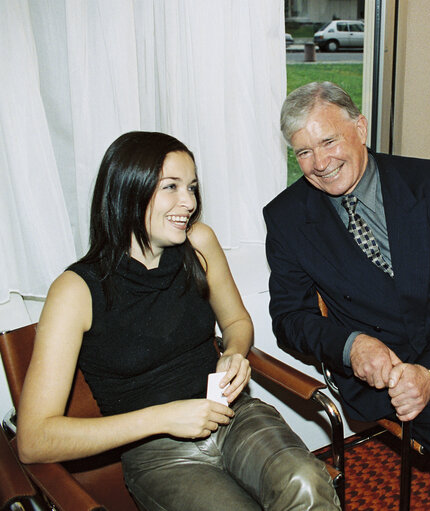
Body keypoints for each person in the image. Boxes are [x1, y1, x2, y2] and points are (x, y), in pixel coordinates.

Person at [16, 131, 340, 511]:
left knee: (306, 483)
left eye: (192, 187)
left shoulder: (199, 243)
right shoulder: (76, 291)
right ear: (127, 190)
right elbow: (34, 439)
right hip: (157, 452)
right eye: (171, 186)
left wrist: (235, 353)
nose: (188, 202)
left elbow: (236, 321)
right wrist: (163, 418)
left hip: (232, 417)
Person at [263, 81, 430, 511]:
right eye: (303, 152)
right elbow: (289, 317)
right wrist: (350, 344)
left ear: (360, 128)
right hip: (386, 375)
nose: (320, 163)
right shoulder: (286, 217)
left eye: (328, 141)